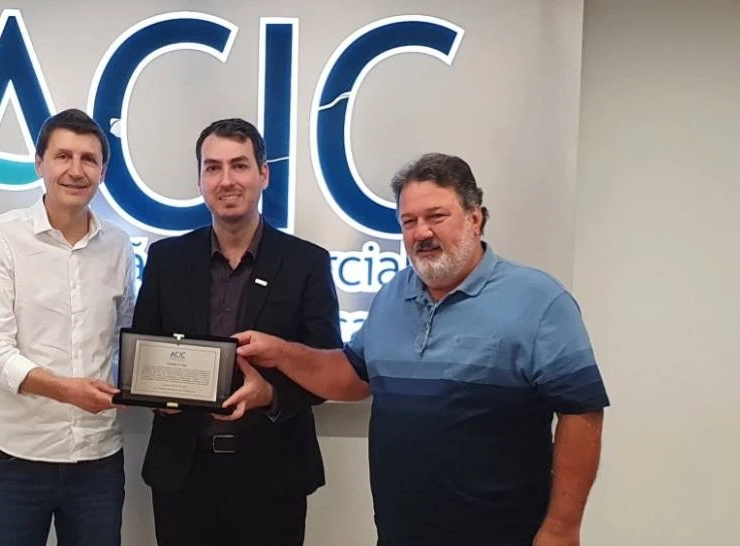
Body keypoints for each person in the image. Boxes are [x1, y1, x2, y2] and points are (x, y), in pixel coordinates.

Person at [237, 153, 610, 546]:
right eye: (409, 221)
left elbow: (581, 412)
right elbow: (352, 377)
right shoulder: (391, 296)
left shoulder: (539, 300)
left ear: (475, 218)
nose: (421, 233)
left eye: (436, 216)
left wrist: (561, 528)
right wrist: (280, 353)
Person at [131, 118, 342, 546]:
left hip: (274, 477)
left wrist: (271, 394)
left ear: (263, 174)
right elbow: (143, 355)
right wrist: (158, 398)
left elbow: (328, 370)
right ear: (200, 181)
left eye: (239, 165)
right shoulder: (166, 259)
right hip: (182, 477)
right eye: (213, 168)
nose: (226, 180)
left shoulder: (306, 263)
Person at [0, 108, 135, 546]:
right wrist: (67, 391)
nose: (76, 171)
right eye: (63, 156)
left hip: (98, 460)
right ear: (40, 163)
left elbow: (126, 339)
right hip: (17, 457)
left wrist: (153, 385)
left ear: (103, 171)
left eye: (89, 159)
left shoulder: (119, 245)